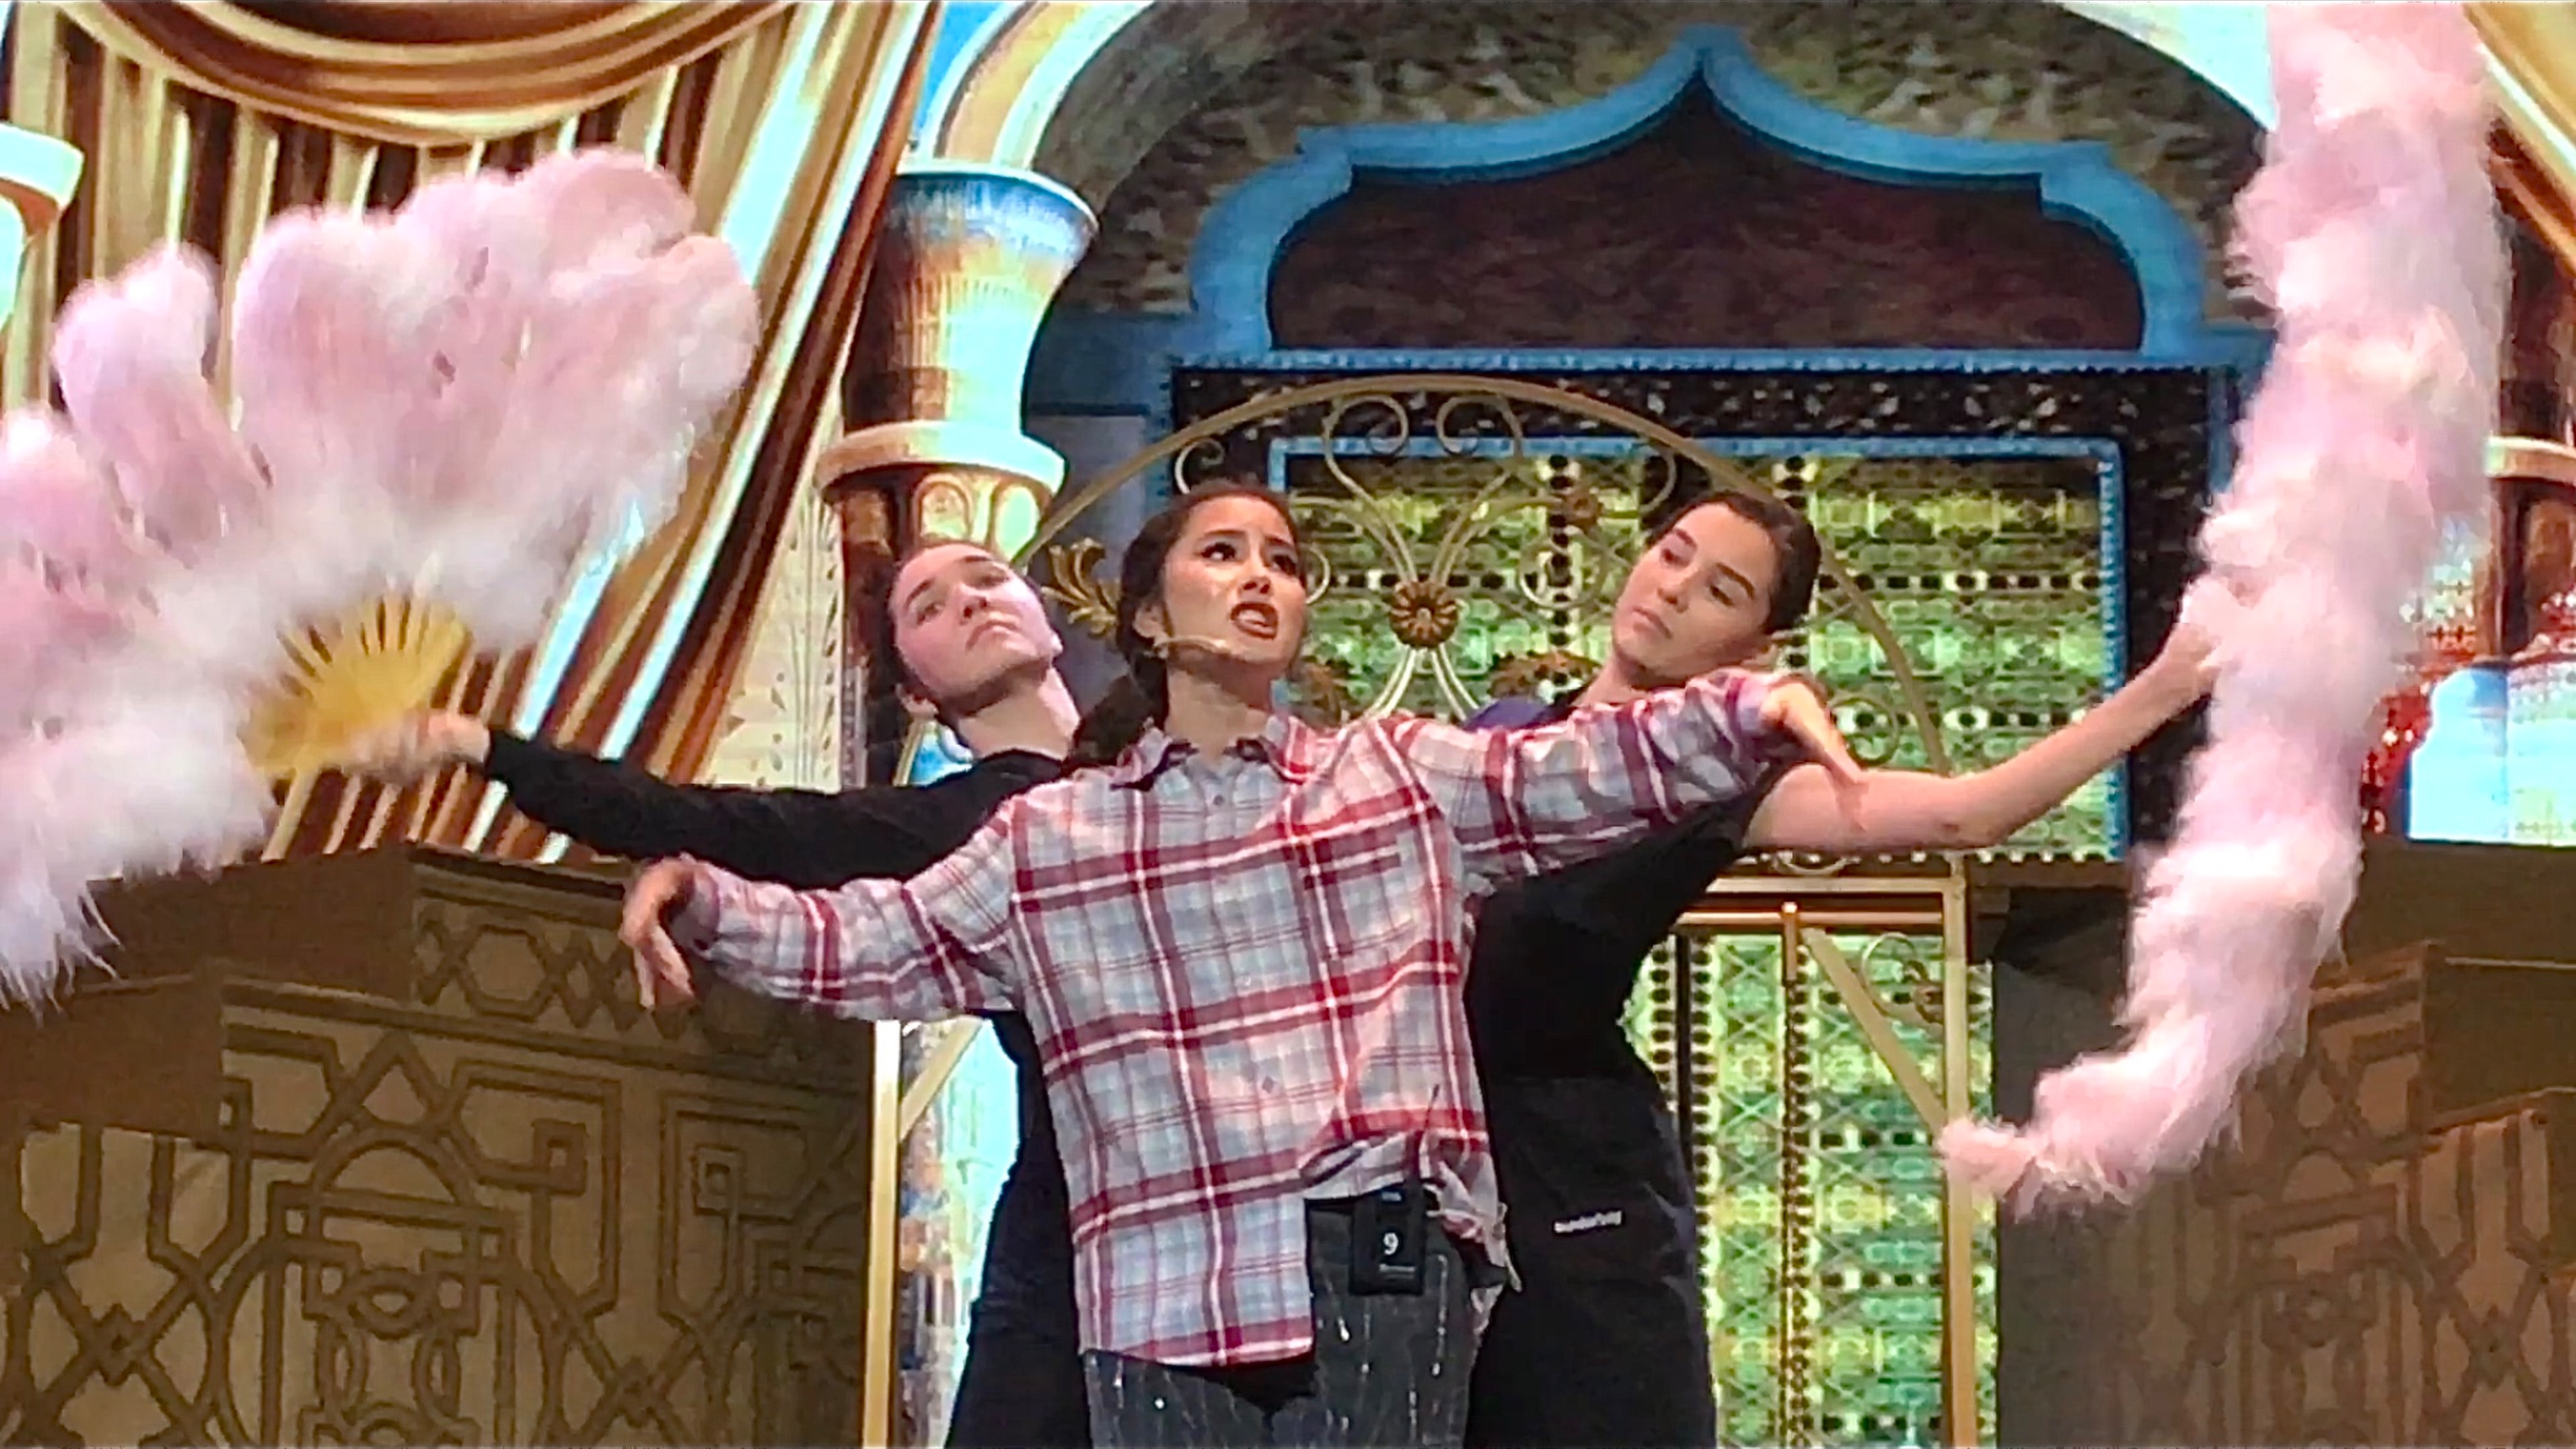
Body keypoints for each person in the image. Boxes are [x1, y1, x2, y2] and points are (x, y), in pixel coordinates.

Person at [616, 482, 1860, 1448]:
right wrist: (708, 905)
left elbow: (1574, 771)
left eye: (1283, 561)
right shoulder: (1053, 839)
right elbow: (878, 939)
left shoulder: (1387, 777)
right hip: (1158, 1268)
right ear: (1151, 618)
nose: (1259, 576)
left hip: (1370, 1257)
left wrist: (1743, 713)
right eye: (1222, 553)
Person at [1457, 487, 2215, 1448]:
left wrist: (2168, 684)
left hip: (1571, 1184)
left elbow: (1968, 813)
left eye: (1723, 590)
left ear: (1755, 649)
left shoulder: (1720, 787)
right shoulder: (1500, 731)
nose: (1676, 588)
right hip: (1431, 1163)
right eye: (1675, 553)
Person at [345, 540, 1096, 1449]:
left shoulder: (1168, 765)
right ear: (915, 695)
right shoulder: (965, 824)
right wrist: (480, 746)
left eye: (987, 578)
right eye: (928, 607)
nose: (971, 603)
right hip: (1069, 1219)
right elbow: (720, 824)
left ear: (1049, 615)